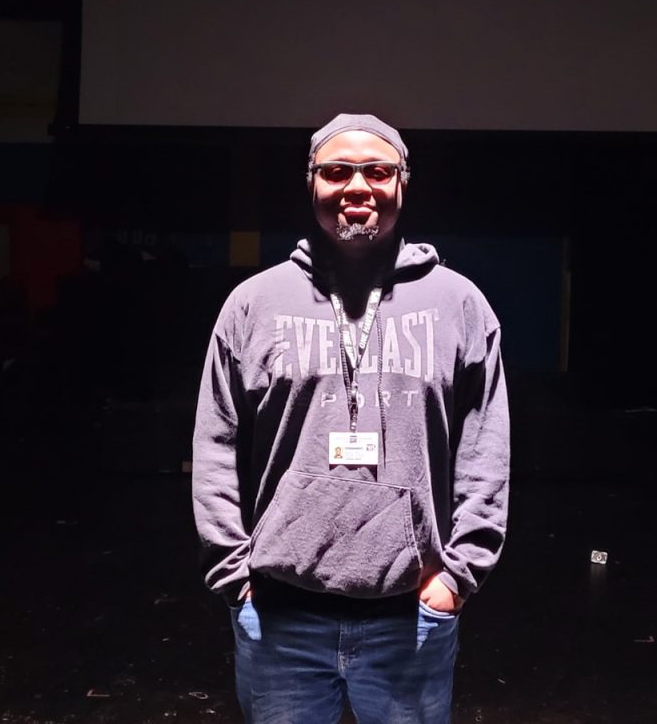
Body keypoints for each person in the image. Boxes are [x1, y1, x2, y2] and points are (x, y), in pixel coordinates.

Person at [192, 113, 510, 723]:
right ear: (311, 182)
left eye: (377, 171)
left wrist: (456, 579)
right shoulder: (254, 304)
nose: (356, 186)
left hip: (409, 617)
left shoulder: (458, 305)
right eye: (337, 171)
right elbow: (214, 445)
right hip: (280, 621)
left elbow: (485, 450)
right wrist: (235, 577)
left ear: (402, 183)